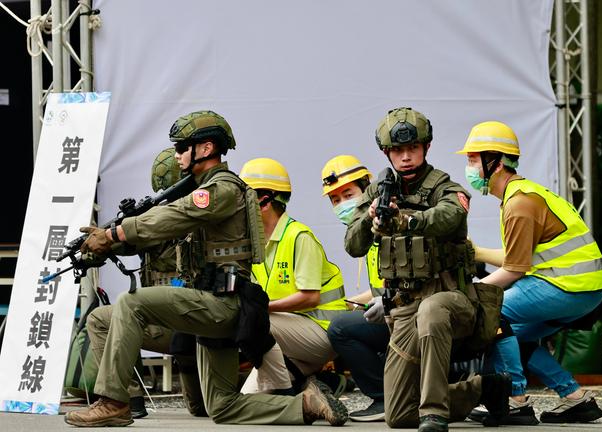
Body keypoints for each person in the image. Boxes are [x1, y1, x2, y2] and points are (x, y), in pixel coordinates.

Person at [64, 110, 347, 427]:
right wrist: (107, 246)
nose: (177, 155)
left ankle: (114, 402)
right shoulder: (206, 190)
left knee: (131, 303)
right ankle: (306, 404)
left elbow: (175, 216)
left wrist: (114, 234)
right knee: (222, 407)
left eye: (181, 147)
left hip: (220, 304)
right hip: (214, 306)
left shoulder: (221, 189)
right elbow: (162, 234)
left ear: (207, 148)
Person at [344, 107, 510, 432]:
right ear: (386, 152)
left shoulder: (445, 187)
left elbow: (449, 215)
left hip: (452, 299)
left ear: (426, 147)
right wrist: (370, 218)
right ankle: (484, 388)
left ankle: (434, 413)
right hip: (404, 309)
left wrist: (405, 220)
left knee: (432, 310)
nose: (406, 157)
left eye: (413, 148)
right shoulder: (378, 192)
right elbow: (353, 245)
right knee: (399, 415)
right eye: (397, 150)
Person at [457, 121, 602, 424]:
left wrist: (471, 294)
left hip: (567, 286)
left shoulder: (519, 203)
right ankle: (575, 398)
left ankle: (515, 399)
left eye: (473, 159)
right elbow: (519, 258)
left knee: (493, 314)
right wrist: (477, 252)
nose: (469, 167)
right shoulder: (522, 194)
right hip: (584, 287)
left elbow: (514, 270)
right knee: (518, 336)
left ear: (495, 162)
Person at [85, 147, 206, 419]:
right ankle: (127, 398)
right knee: (102, 319)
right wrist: (99, 246)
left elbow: (128, 238)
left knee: (207, 408)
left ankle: (126, 398)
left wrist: (108, 240)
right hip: (178, 326)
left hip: (195, 326)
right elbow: (121, 244)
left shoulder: (181, 218)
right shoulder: (155, 219)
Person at [239, 158, 348, 396]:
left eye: (243, 198)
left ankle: (286, 390)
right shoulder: (256, 244)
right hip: (292, 335)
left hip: (322, 333)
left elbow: (310, 298)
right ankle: (318, 385)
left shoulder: (299, 237)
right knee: (249, 400)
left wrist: (262, 308)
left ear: (264, 201)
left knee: (252, 319)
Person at [322, 155, 389, 421]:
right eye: (335, 199)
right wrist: (353, 302)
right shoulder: (364, 233)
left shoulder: (383, 222)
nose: (342, 204)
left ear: (366, 189)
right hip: (390, 307)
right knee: (347, 318)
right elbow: (379, 286)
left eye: (348, 194)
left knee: (340, 328)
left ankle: (384, 397)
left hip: (405, 311)